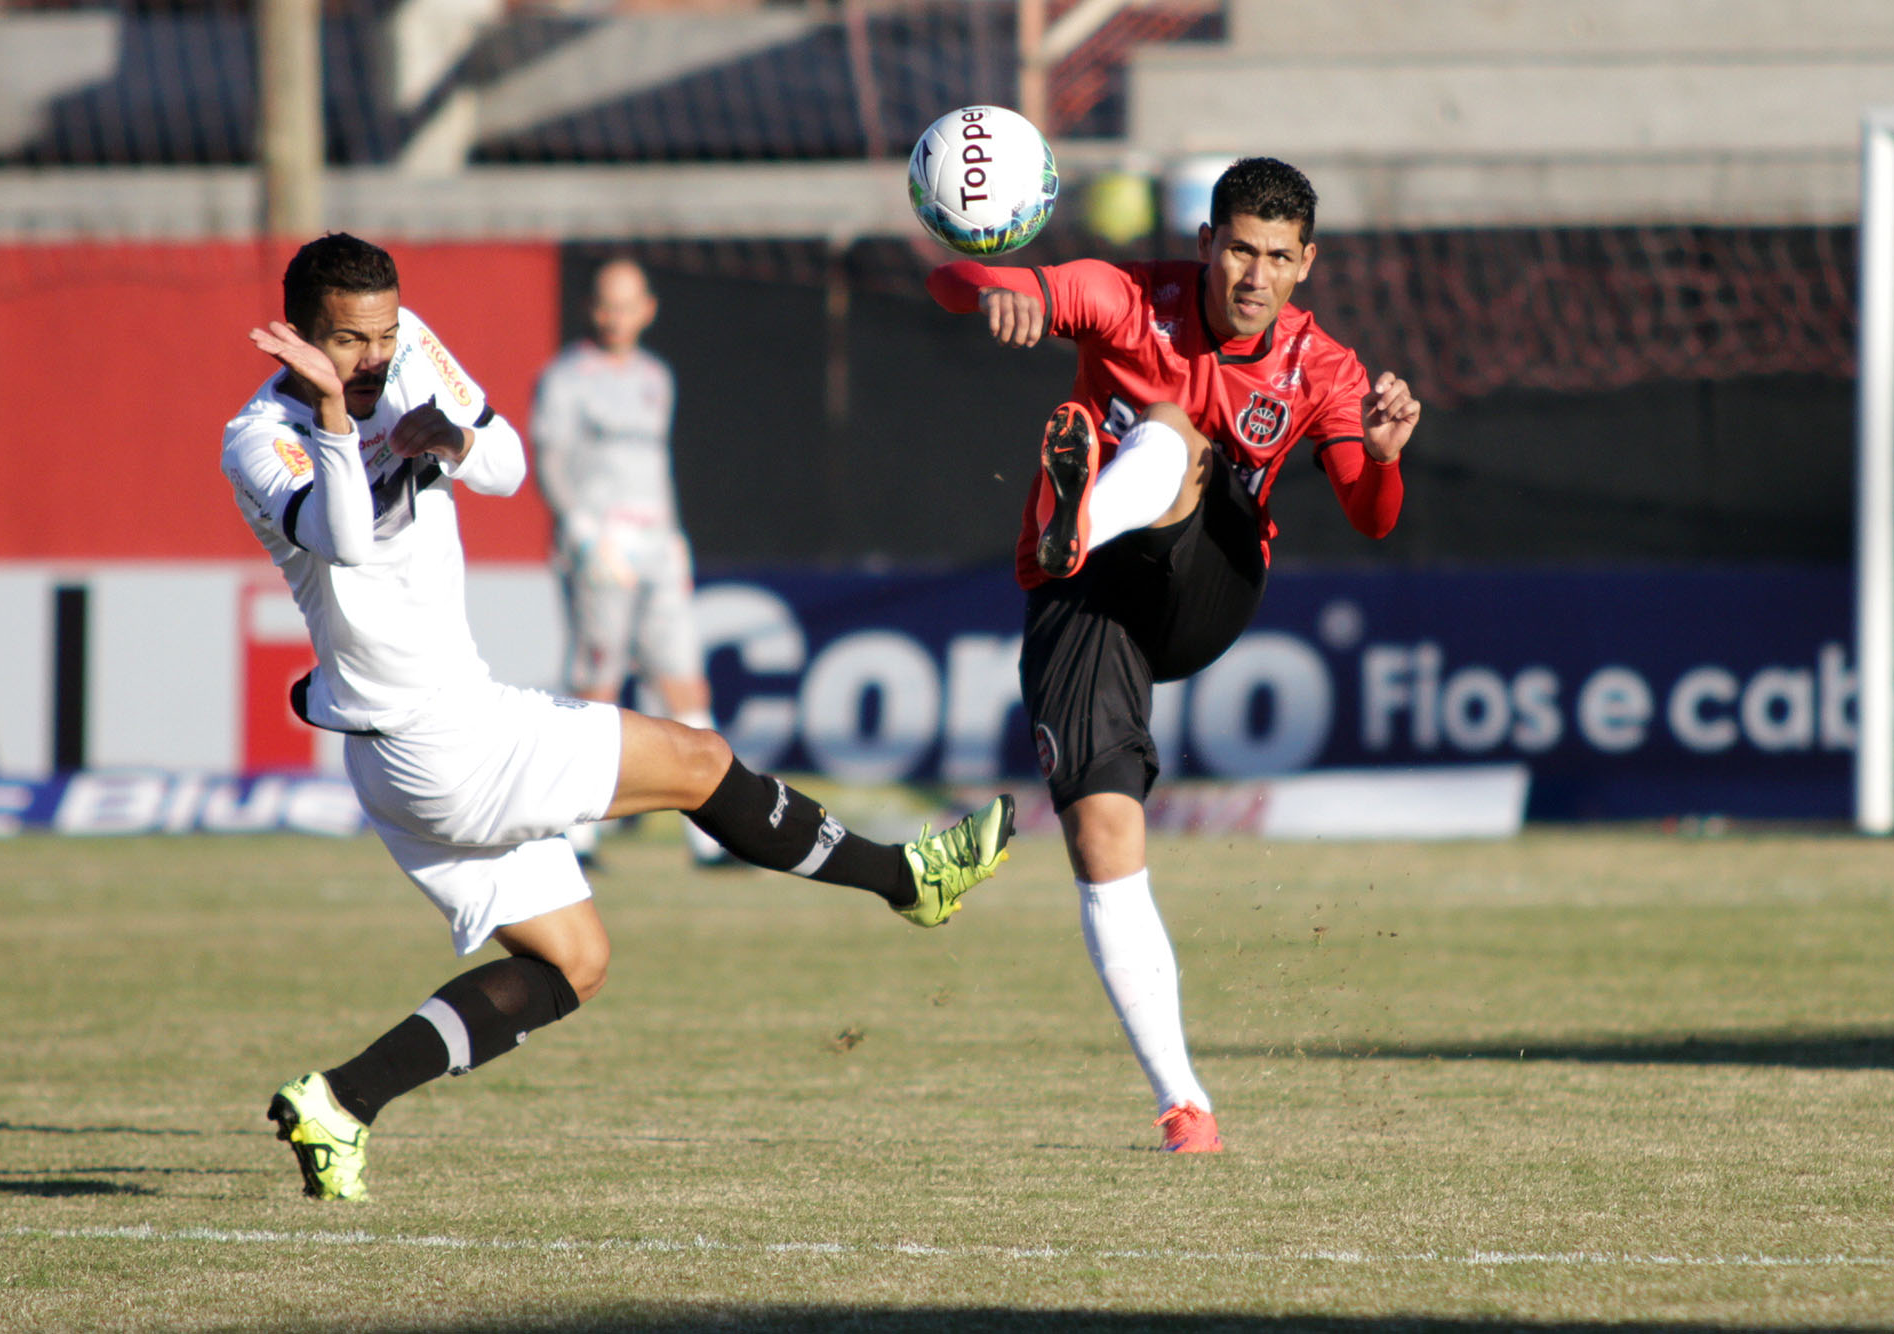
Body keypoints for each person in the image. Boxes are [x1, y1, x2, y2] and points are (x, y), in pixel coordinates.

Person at [223, 233, 1016, 1201]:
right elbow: (343, 537)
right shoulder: (260, 438)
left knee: (574, 961)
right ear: (301, 336)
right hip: (440, 742)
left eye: (384, 332)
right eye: (348, 341)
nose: (376, 356)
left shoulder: (403, 346)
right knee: (696, 758)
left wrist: (457, 440)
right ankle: (906, 876)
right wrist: (348, 419)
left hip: (421, 741)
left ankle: (341, 1100)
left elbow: (505, 463)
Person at [924, 158, 1419, 1153]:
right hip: (1083, 599)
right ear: (1204, 242)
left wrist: (1385, 453)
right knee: (1103, 839)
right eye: (1238, 248)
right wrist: (998, 289)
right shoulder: (1126, 296)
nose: (1252, 274)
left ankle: (1082, 512)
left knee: (1173, 434)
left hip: (1208, 580)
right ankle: (1184, 1106)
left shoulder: (1323, 367)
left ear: (1305, 265)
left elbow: (1369, 515)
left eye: (1277, 257)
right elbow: (956, 280)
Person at [530, 259, 726, 867]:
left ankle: (709, 839)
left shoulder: (655, 376)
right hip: (601, 545)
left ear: (648, 308)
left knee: (684, 680)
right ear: (594, 309)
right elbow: (551, 457)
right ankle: (576, 833)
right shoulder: (567, 378)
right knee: (598, 681)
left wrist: (672, 536)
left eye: (628, 304)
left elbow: (654, 467)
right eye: (606, 305)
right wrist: (582, 528)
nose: (617, 317)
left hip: (656, 543)